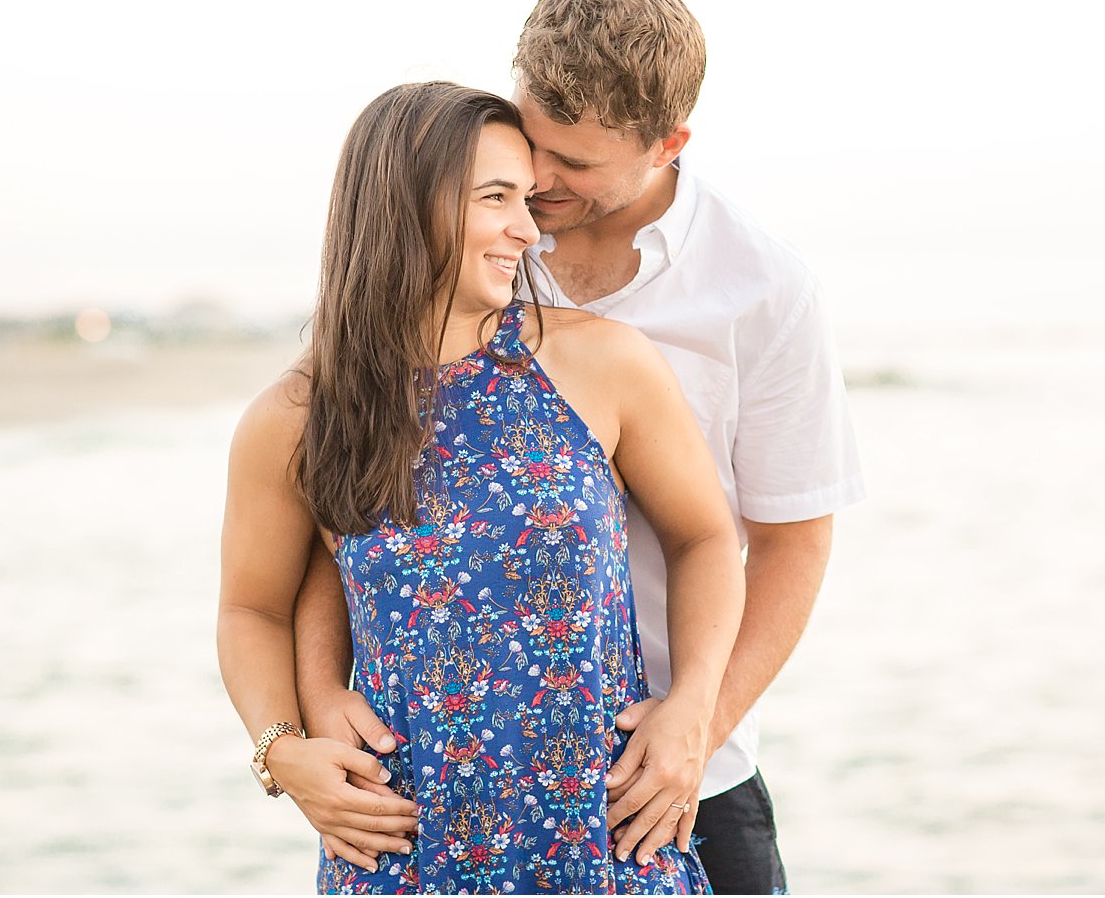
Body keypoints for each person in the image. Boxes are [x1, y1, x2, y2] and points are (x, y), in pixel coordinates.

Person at [294, 0, 867, 894]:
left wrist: (694, 727)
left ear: (668, 144)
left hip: (671, 782)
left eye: (577, 165)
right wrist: (310, 713)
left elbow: (790, 540)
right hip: (450, 789)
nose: (542, 184)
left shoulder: (763, 288)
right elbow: (339, 527)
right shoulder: (470, 248)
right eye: (534, 142)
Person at [218, 80, 746, 894]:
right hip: (404, 856)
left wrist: (695, 706)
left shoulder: (602, 363)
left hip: (605, 847)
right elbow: (252, 607)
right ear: (402, 205)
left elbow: (705, 537)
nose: (528, 231)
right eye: (497, 197)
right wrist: (281, 750)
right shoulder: (295, 417)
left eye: (527, 199)